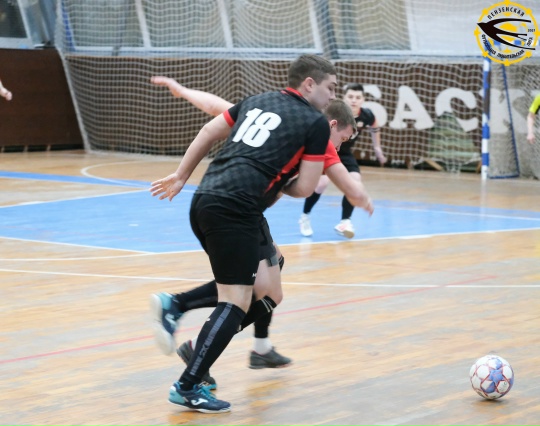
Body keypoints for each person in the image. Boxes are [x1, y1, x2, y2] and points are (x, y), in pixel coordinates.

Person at [150, 75, 372, 393]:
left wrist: (182, 90)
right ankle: (187, 323)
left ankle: (254, 347)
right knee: (258, 294)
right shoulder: (319, 136)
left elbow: (216, 108)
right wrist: (361, 198)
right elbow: (341, 186)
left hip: (237, 207)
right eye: (343, 139)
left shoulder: (278, 116)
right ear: (333, 124)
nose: (340, 147)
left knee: (272, 270)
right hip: (240, 210)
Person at [299, 83, 386, 239]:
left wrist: (377, 148)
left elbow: (375, 126)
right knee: (321, 183)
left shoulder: (366, 115)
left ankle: (345, 221)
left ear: (363, 100)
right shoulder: (334, 112)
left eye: (358, 97)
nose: (354, 100)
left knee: (355, 180)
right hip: (327, 150)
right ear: (344, 98)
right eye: (350, 96)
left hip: (344, 154)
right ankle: (305, 215)